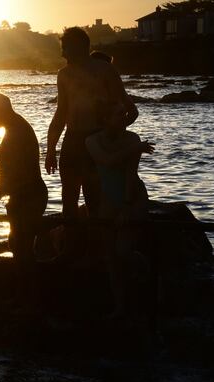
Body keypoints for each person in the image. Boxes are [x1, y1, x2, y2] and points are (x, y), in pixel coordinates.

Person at [46, 27, 137, 256]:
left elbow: (130, 110)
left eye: (64, 47)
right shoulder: (64, 74)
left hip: (96, 141)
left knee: (95, 200)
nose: (62, 53)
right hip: (72, 140)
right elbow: (60, 113)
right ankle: (70, 252)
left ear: (77, 47)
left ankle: (98, 253)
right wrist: (50, 149)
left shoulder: (105, 70)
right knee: (69, 200)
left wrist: (112, 134)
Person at [85, 101, 154, 317]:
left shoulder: (132, 138)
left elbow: (130, 174)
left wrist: (126, 206)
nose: (124, 118)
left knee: (123, 251)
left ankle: (147, 270)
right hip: (107, 198)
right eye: (118, 115)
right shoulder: (92, 141)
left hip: (132, 196)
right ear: (104, 119)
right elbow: (106, 160)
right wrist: (136, 148)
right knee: (110, 257)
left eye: (124, 114)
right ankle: (120, 306)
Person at [0, 94, 47, 302]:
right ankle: (25, 296)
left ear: (1, 110)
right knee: (18, 245)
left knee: (23, 249)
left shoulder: (17, 132)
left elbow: (19, 172)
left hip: (28, 196)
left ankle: (28, 299)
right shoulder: (15, 129)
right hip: (23, 195)